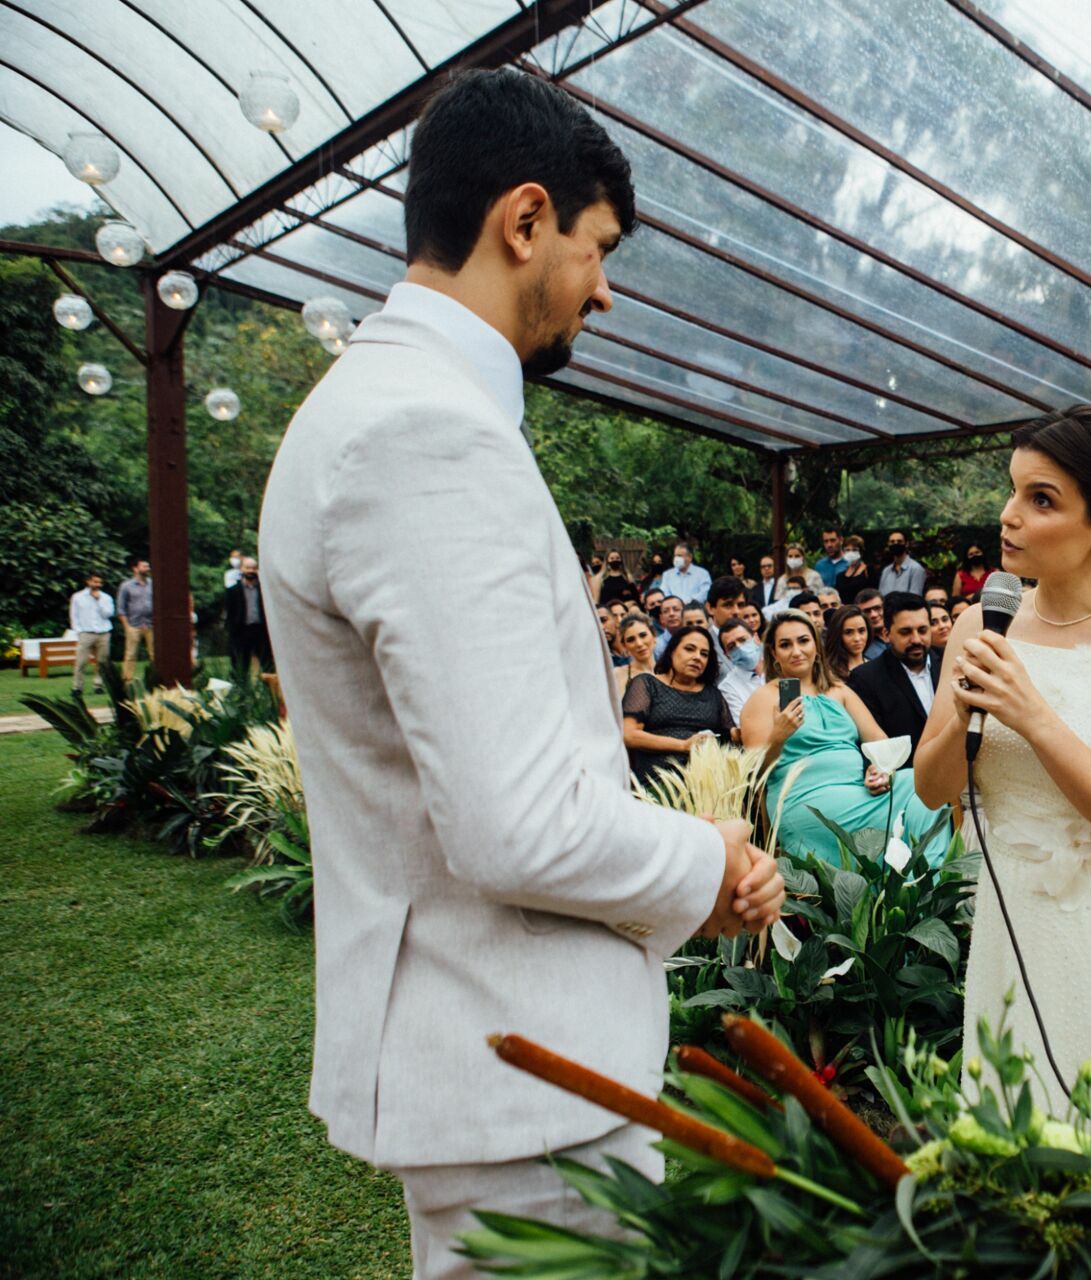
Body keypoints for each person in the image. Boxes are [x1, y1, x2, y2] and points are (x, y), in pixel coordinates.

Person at [256, 68, 781, 1278]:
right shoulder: (424, 432)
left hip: (495, 1058)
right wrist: (713, 859)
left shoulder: (382, 404)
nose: (603, 293)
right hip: (526, 1075)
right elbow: (519, 825)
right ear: (525, 218)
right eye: (598, 251)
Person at [915, 404, 1091, 1110]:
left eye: (1041, 500)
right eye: (1013, 490)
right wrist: (963, 713)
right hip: (1009, 928)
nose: (1010, 515)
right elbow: (930, 787)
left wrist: (1036, 718)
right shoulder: (980, 625)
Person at [742, 613, 950, 867]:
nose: (796, 651)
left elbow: (880, 742)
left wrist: (878, 769)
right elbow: (754, 772)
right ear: (773, 653)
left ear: (816, 647)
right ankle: (922, 883)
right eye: (785, 645)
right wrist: (779, 735)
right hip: (806, 800)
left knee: (919, 782)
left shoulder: (839, 691)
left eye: (803, 641)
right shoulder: (763, 698)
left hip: (857, 791)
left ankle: (927, 879)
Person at [622, 626, 734, 788]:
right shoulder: (647, 683)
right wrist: (683, 745)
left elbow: (729, 739)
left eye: (704, 654)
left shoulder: (714, 695)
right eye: (689, 649)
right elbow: (629, 735)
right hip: (657, 783)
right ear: (672, 651)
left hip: (706, 787)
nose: (697, 657)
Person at [846, 592, 942, 748]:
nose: (916, 639)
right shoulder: (866, 679)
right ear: (886, 634)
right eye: (906, 632)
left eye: (922, 630)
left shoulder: (951, 661)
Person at [225, 556, 273, 679]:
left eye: (253, 568)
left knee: (268, 666)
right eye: (247, 568)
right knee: (240, 668)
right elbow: (230, 613)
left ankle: (270, 694)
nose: (251, 571)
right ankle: (241, 694)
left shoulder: (265, 590)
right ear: (241, 569)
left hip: (261, 631)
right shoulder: (233, 591)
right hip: (241, 631)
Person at [68, 572, 114, 694]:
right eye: (95, 582)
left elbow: (108, 614)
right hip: (86, 633)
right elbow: (74, 616)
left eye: (100, 582)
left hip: (103, 632)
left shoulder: (106, 598)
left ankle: (98, 685)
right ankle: (77, 687)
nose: (98, 584)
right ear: (88, 582)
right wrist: (79, 631)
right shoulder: (77, 597)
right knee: (81, 661)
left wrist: (98, 601)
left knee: (102, 662)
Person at [715, 617, 763, 722]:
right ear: (727, 655)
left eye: (743, 640)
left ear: (756, 639)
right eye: (732, 646)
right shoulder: (728, 687)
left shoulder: (780, 665)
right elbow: (745, 726)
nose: (740, 648)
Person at [116, 558, 154, 682]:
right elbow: (121, 608)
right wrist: (126, 626)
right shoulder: (126, 586)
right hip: (133, 625)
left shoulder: (153, 584)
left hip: (151, 625)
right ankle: (127, 680)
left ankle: (156, 678)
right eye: (144, 566)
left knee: (154, 654)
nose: (147, 569)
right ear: (135, 569)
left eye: (148, 566)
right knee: (130, 654)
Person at [823, 604, 869, 683]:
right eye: (848, 632)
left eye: (861, 631)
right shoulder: (828, 673)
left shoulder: (876, 666)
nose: (857, 638)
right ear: (837, 635)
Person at [656, 540, 711, 607]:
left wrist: (687, 603)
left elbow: (704, 593)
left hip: (695, 610)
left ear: (690, 557)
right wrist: (676, 604)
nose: (676, 559)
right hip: (674, 611)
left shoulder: (702, 574)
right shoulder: (667, 575)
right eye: (675, 556)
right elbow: (664, 593)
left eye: (679, 556)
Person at [878, 531, 929, 596]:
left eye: (899, 541)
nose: (895, 544)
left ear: (906, 544)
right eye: (892, 542)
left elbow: (915, 598)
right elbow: (880, 597)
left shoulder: (916, 569)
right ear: (888, 544)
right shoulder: (886, 571)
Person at [615, 614, 655, 696]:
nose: (639, 644)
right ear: (624, 646)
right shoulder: (616, 675)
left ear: (654, 636)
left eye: (643, 635)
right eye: (631, 640)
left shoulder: (670, 672)